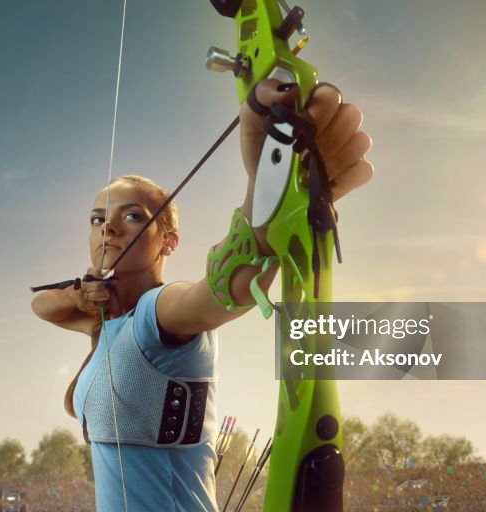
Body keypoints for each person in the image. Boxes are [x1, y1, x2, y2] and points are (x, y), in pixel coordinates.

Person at [30, 79, 373, 511]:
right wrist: (80, 298)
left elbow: (223, 290)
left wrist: (268, 187)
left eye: (132, 216)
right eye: (98, 218)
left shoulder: (161, 314)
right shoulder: (105, 321)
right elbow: (42, 305)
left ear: (169, 242)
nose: (108, 228)